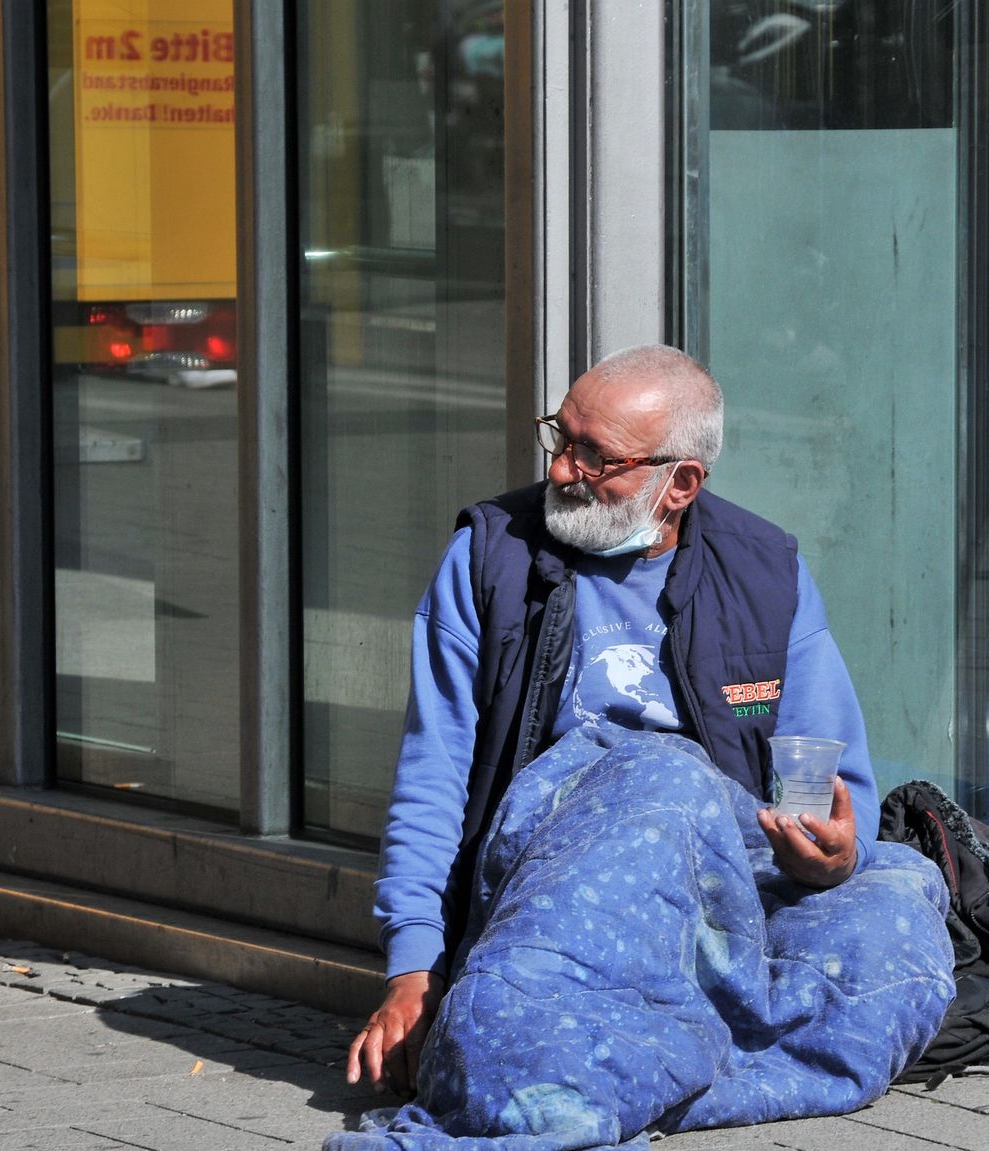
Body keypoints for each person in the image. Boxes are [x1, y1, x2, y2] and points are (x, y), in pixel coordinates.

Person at [347, 344, 880, 1094]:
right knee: (652, 778)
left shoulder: (767, 573)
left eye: (597, 457)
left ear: (680, 483)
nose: (563, 470)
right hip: (552, 883)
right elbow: (433, 775)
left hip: (716, 884)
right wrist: (414, 970)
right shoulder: (489, 559)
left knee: (900, 905)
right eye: (561, 438)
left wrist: (830, 857)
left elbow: (828, 777)